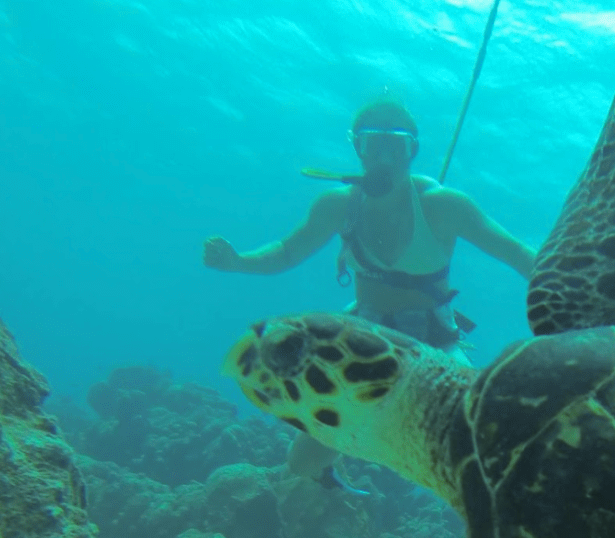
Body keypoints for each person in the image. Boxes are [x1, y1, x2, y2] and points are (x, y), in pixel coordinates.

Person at [204, 94, 536, 486]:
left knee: (476, 441)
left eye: (396, 145)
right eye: (372, 143)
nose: (384, 157)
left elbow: (517, 253)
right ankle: (331, 471)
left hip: (433, 341)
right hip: (363, 338)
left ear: (413, 151)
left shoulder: (443, 206)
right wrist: (239, 261)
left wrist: (568, 293)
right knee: (302, 463)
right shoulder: (338, 206)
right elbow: (287, 250)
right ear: (357, 149)